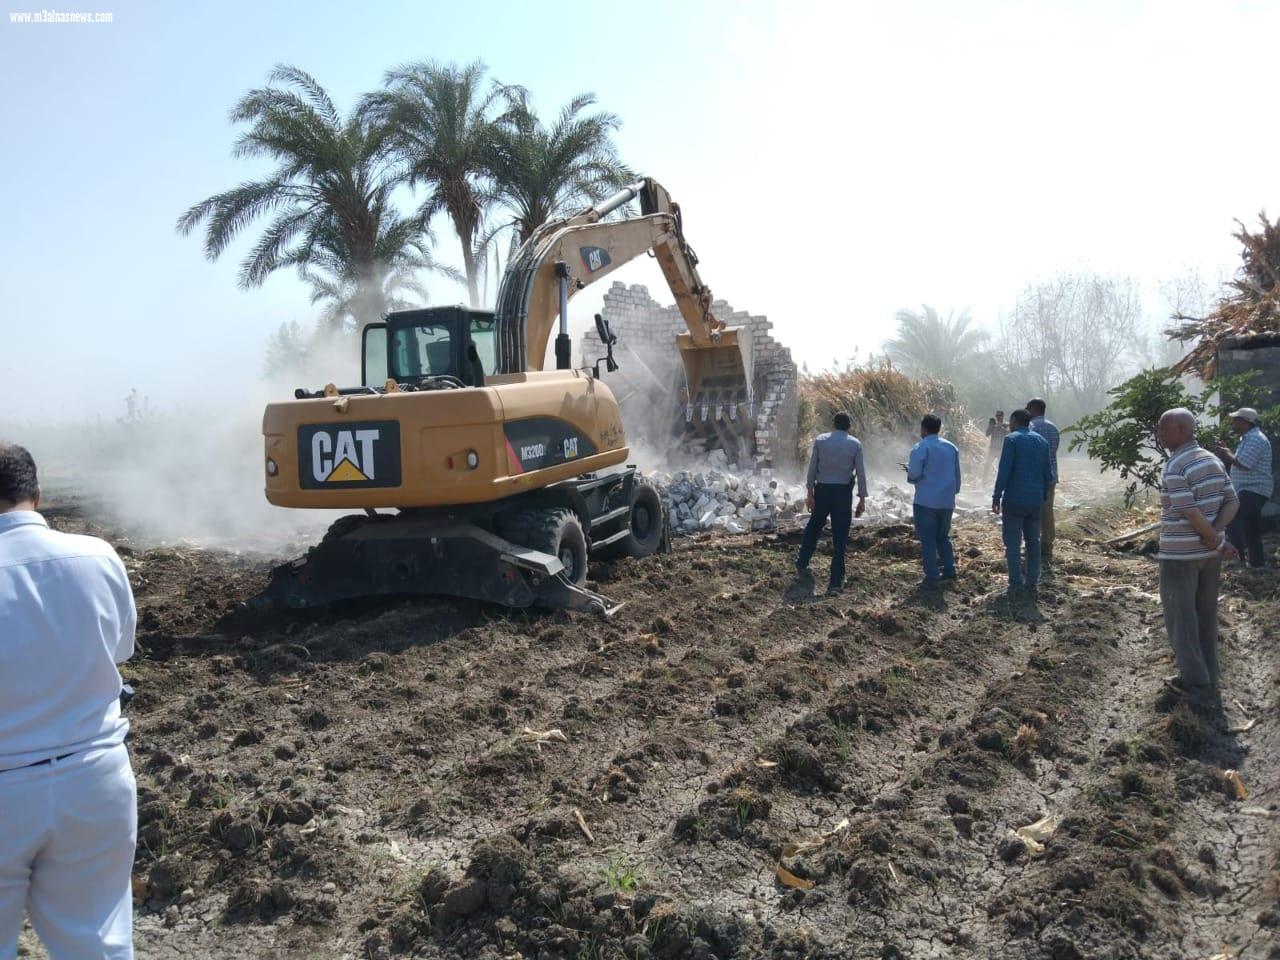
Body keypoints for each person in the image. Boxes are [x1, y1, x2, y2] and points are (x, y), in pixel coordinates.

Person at [0, 443, 138, 959]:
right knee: (96, 943)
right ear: (36, 494)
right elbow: (120, 649)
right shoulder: (97, 555)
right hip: (95, 780)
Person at [1156, 409, 1239, 701]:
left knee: (1181, 618)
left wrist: (1209, 535)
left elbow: (1189, 511)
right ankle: (1208, 673)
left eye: (1163, 429)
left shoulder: (1175, 466)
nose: (1160, 434)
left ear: (1181, 430)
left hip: (1180, 556)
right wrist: (1216, 537)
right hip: (1209, 555)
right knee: (1205, 614)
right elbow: (1232, 502)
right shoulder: (1212, 460)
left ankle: (1194, 682)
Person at [796, 411, 868, 593]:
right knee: (840, 535)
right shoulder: (855, 444)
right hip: (843, 493)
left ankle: (802, 561)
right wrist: (862, 499)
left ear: (834, 424)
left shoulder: (821, 441)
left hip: (823, 490)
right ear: (849, 426)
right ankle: (836, 580)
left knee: (814, 526)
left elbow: (812, 468)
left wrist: (810, 493)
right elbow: (860, 472)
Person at [992, 409, 1052, 594]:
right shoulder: (1042, 442)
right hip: (1034, 501)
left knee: (1013, 542)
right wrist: (1042, 496)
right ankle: (1033, 582)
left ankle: (1015, 583)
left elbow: (1004, 470)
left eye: (1010, 420)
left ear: (1015, 421)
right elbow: (1048, 475)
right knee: (1033, 541)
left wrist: (996, 496)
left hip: (1014, 499)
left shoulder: (1011, 440)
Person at [1211, 407, 1273, 568]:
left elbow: (1245, 464)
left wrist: (1226, 454)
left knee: (1231, 518)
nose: (1233, 423)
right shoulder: (1248, 438)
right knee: (1251, 527)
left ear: (1245, 422)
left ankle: (1237, 559)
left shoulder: (1255, 439)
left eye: (1235, 420)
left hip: (1253, 489)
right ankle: (1257, 564)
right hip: (1250, 489)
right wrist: (1227, 453)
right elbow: (1240, 461)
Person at [906, 413, 962, 585]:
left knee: (928, 539)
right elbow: (957, 475)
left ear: (923, 428)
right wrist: (954, 491)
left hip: (926, 500)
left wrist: (909, 473)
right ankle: (950, 570)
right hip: (946, 500)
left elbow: (914, 473)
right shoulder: (951, 447)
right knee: (943, 537)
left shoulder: (920, 447)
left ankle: (932, 575)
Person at [1026, 398, 1060, 563]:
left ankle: (1034, 544)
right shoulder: (1053, 427)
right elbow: (1053, 452)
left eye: (1028, 408)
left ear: (1033, 409)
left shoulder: (1031, 427)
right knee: (1048, 510)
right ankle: (1047, 545)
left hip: (1034, 476)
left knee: (1033, 511)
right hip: (1052, 475)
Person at [983, 410, 1007, 481]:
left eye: (999, 416)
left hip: (1001, 450)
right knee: (987, 466)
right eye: (997, 416)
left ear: (1002, 416)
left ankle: (1000, 481)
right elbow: (987, 434)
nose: (998, 417)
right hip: (993, 449)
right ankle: (984, 482)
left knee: (1001, 467)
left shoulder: (1006, 425)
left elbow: (1009, 433)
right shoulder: (994, 425)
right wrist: (991, 426)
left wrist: (1003, 428)